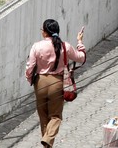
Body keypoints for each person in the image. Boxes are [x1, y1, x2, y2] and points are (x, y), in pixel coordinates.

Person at [25, 19, 86, 148]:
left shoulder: (37, 46)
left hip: (40, 82)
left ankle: (46, 143)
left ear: (45, 32)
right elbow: (81, 58)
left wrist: (31, 80)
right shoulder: (65, 46)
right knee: (56, 116)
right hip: (57, 83)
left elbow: (30, 67)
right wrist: (80, 42)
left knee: (43, 116)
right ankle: (47, 140)